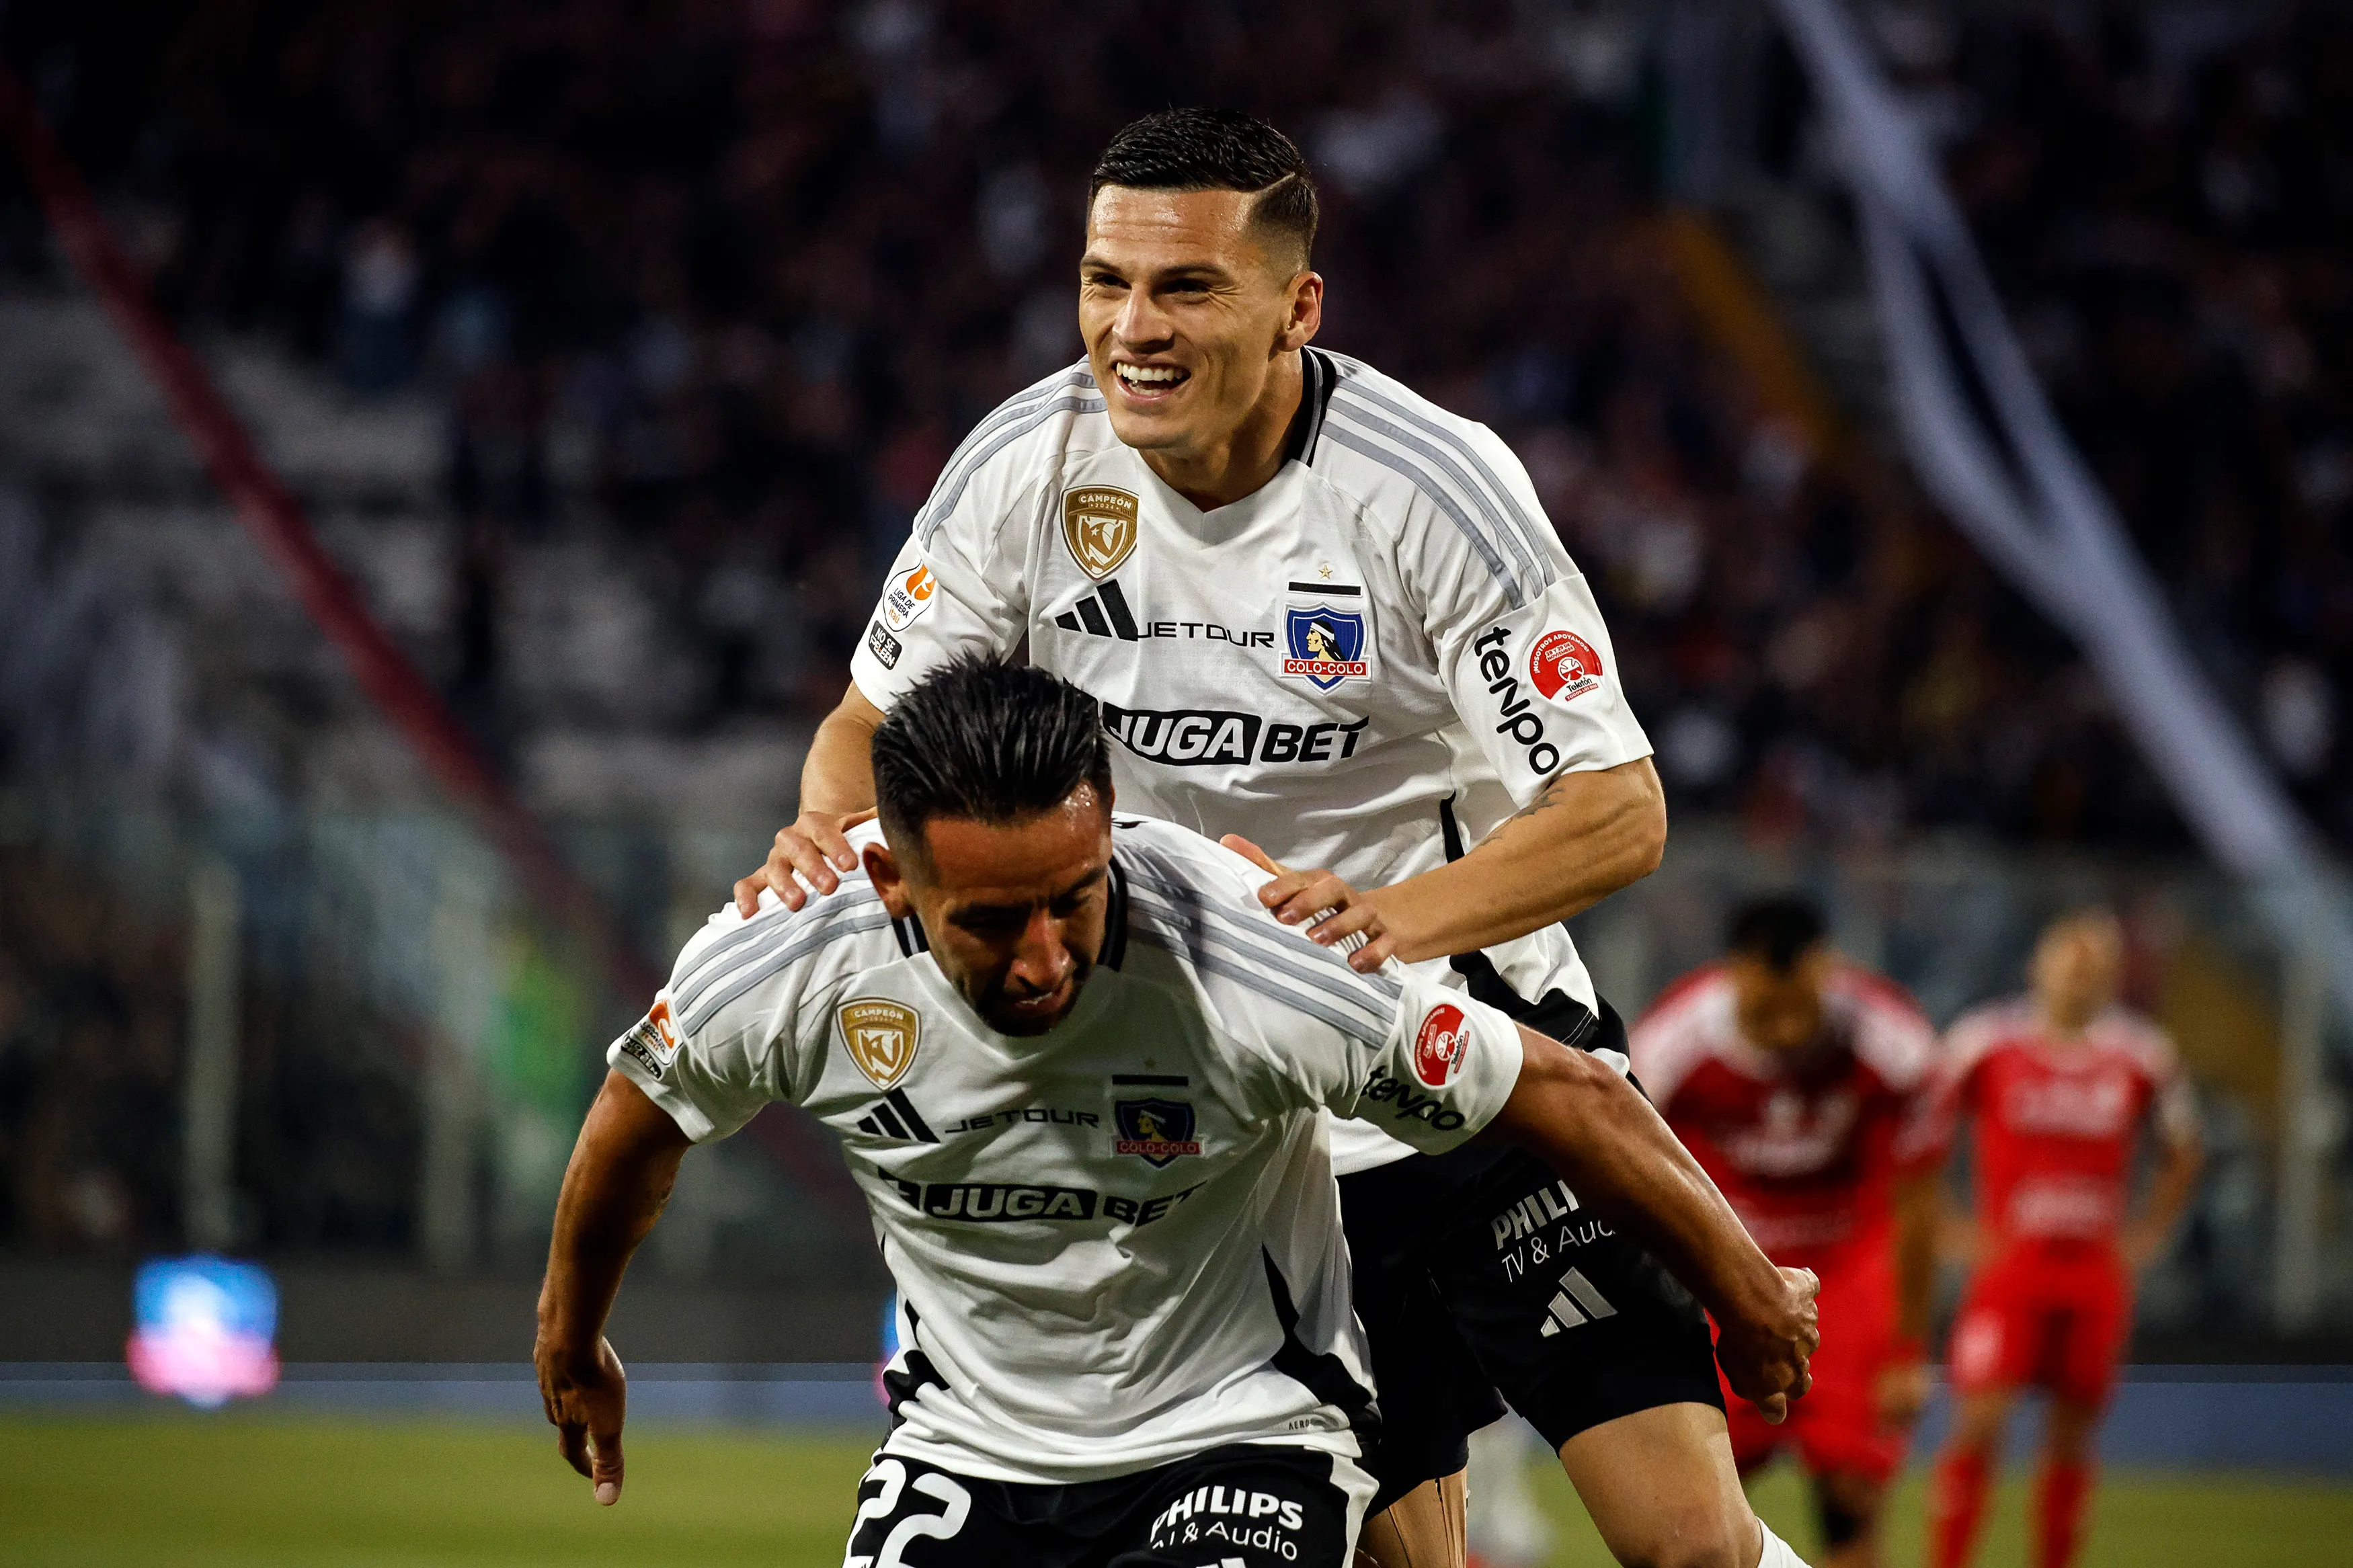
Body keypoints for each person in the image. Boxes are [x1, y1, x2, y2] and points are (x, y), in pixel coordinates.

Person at [735, 108, 1814, 1568]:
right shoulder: (1022, 471)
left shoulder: (1427, 486)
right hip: (1246, 1125)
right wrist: (817, 833)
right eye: (1106, 281)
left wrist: (1389, 925)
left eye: (1186, 286)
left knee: (1690, 1542)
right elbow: (868, 724)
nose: (1133, 326)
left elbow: (1616, 809)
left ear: (1296, 305)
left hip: (1480, 1069)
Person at [534, 659, 1819, 1568]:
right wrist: (572, 1335)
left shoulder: (1245, 951)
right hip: (968, 1452)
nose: (1042, 958)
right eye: (991, 920)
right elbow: (635, 1124)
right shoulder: (785, 954)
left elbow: (1563, 1087)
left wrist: (1745, 1291)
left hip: (1240, 1438)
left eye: (1073, 899)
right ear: (891, 878)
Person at [1628, 898, 1941, 1568]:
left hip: (1847, 1274)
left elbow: (1916, 1201)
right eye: (1768, 1012)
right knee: (1690, 1514)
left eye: (1802, 1007)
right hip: (1725, 1270)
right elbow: (1632, 1181)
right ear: (1734, 974)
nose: (1789, 1028)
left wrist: (1909, 1347)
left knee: (1850, 1500)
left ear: (1827, 970)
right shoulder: (1667, 1046)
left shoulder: (1894, 1044)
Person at [1921, 910, 2204, 1568]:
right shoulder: (1984, 1041)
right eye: (2068, 961)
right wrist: (1946, 1224)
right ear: (2037, 966)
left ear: (2112, 976)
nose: (2080, 976)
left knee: (2072, 1437)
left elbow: (2184, 1148)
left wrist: (2148, 1230)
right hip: (2008, 1268)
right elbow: (1919, 1128)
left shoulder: (2140, 1053)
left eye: (2095, 965)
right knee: (1979, 1422)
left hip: (2092, 1272)